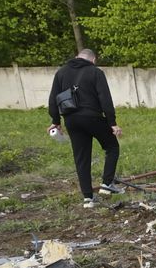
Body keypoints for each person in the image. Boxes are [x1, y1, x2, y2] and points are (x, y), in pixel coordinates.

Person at [47, 48, 123, 208]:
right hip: (92, 117)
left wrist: (56, 121)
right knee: (112, 146)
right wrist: (112, 123)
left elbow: (53, 99)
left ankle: (88, 198)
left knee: (81, 157)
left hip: (71, 120)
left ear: (77, 57)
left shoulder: (61, 72)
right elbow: (105, 98)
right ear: (93, 59)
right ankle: (107, 184)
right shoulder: (95, 72)